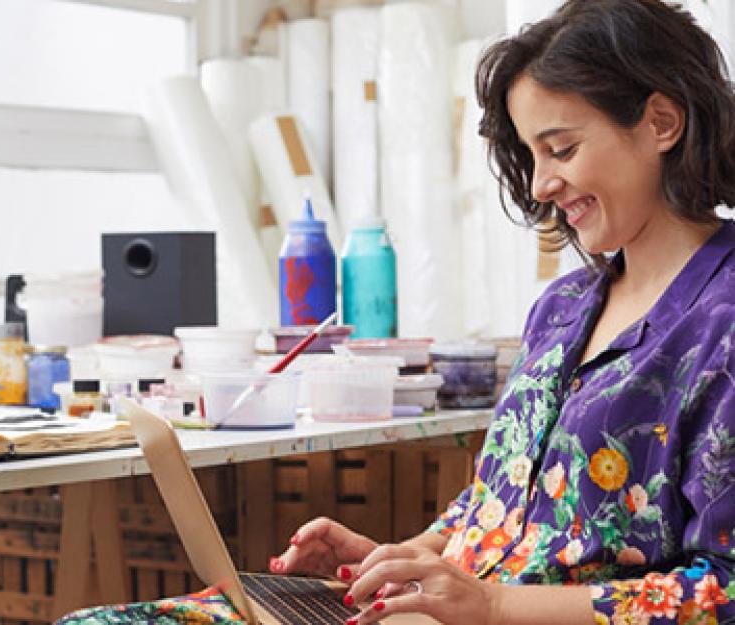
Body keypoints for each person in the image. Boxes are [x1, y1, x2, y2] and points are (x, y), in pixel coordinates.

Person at [270, 1, 735, 624]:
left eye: (561, 149)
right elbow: (506, 497)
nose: (541, 184)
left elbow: (725, 591)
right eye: (531, 155)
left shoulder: (722, 320)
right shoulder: (562, 307)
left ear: (661, 122)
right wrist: (403, 558)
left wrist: (493, 604)